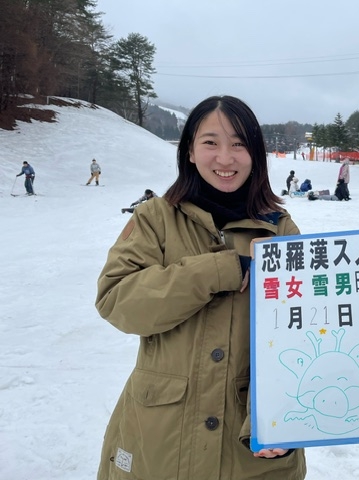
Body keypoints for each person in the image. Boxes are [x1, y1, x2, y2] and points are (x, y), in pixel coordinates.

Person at [95, 95, 306, 480]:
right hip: (160, 439)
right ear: (189, 150)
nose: (225, 158)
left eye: (239, 144)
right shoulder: (154, 219)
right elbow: (118, 301)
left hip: (250, 448)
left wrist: (279, 418)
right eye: (210, 142)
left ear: (256, 155)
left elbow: (301, 335)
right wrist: (220, 269)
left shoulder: (280, 230)